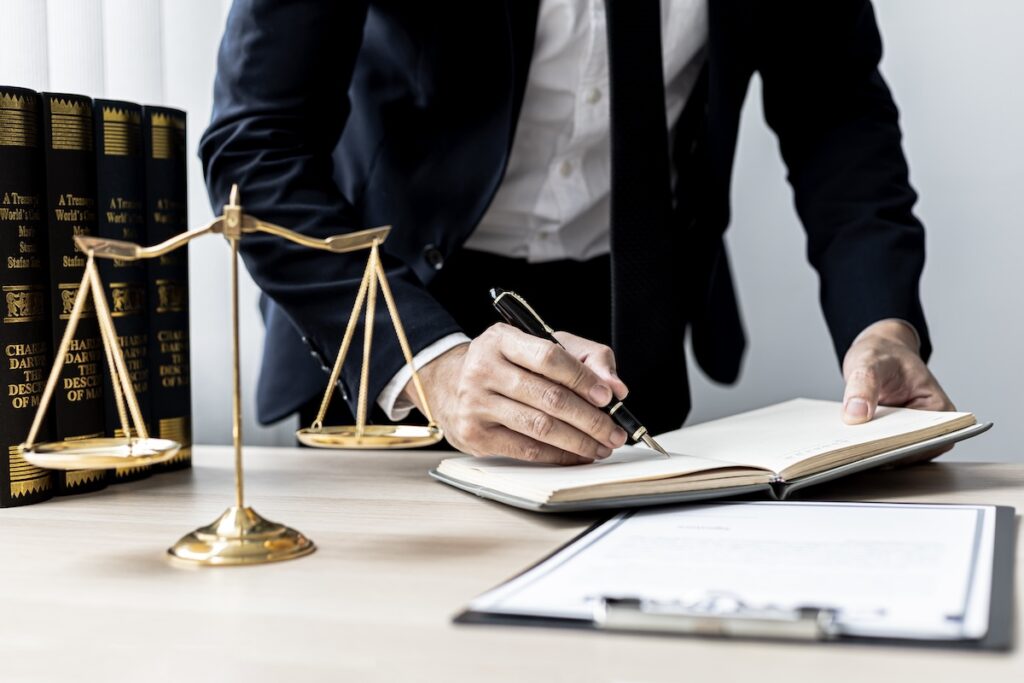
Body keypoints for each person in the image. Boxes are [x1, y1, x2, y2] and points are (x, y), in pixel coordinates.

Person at [201, 0, 953, 465]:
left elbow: (836, 112)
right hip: (387, 330)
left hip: (625, 324)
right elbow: (256, 144)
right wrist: (431, 363)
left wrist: (881, 325)